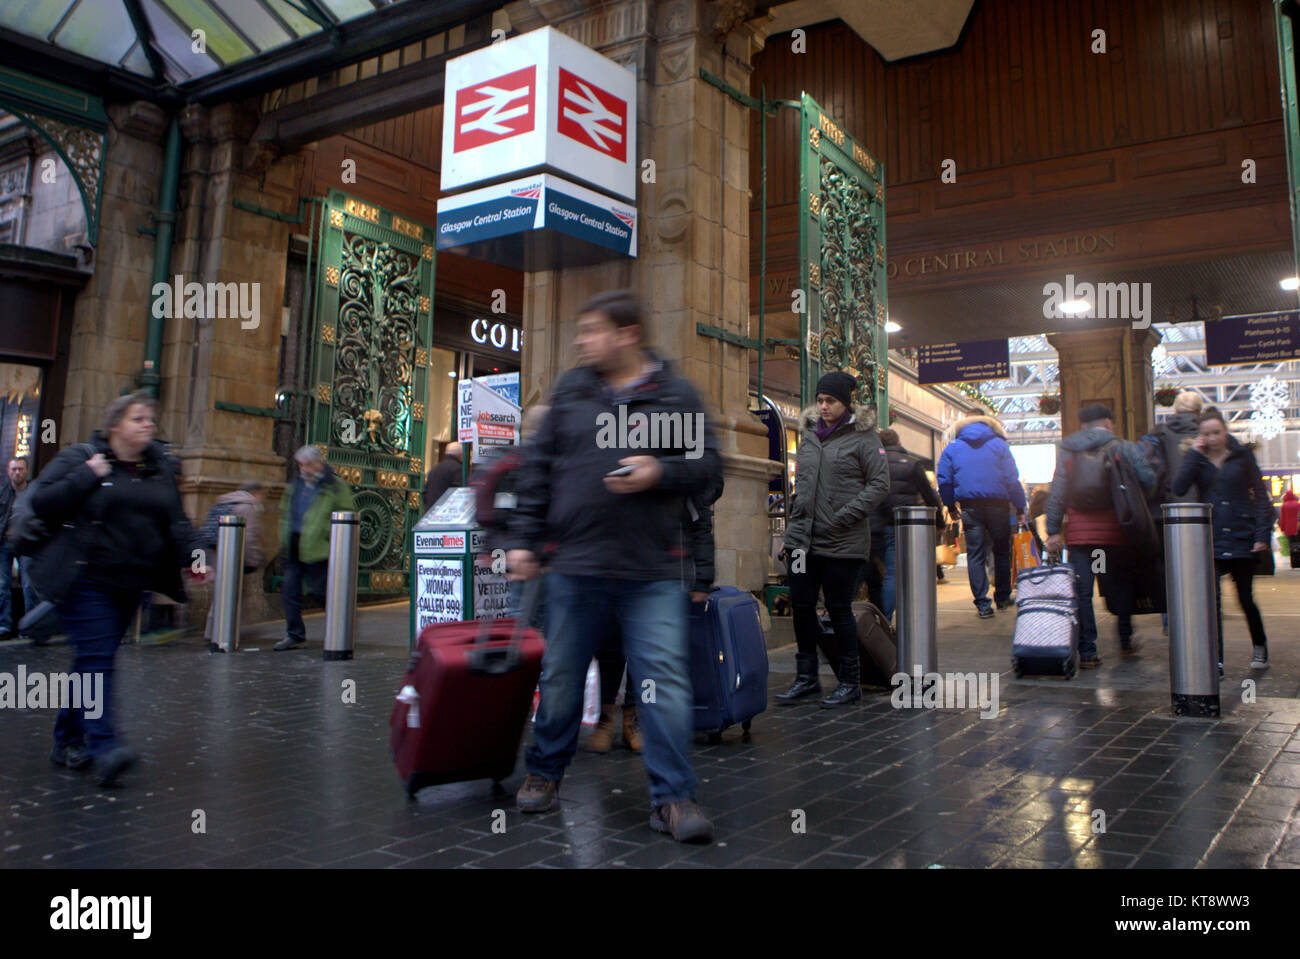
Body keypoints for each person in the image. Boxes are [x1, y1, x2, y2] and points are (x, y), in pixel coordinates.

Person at [504, 289, 722, 843]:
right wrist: (525, 540)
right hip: (574, 566)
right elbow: (537, 470)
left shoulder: (674, 397)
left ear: (627, 335)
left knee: (664, 686)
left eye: (593, 330)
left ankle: (672, 799)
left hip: (652, 572)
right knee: (560, 678)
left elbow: (708, 469)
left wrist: (660, 474)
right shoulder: (572, 391)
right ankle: (544, 771)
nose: (581, 340)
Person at [25, 393, 209, 786]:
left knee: (94, 659)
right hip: (85, 580)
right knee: (96, 659)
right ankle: (104, 746)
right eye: (137, 418)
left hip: (132, 584)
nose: (148, 425)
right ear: (115, 426)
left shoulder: (159, 468)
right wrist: (86, 475)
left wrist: (196, 557)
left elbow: (176, 522)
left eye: (151, 420)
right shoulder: (85, 459)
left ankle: (66, 738)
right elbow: (42, 502)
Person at [588, 474, 723, 754]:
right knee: (610, 643)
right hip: (614, 558)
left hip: (659, 565)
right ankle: (605, 715)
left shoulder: (680, 446)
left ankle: (633, 715)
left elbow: (709, 492)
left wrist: (703, 575)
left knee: (644, 649)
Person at [777, 371, 889, 707]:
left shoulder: (865, 438)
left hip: (843, 541)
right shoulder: (809, 435)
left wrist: (845, 515)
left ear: (846, 402)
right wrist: (791, 533)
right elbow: (804, 487)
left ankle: (850, 680)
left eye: (831, 401)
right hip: (801, 541)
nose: (824, 406)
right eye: (821, 400)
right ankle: (806, 677)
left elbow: (879, 485)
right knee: (801, 606)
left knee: (839, 608)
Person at [1044, 404, 1155, 668]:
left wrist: (1052, 530)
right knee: (1119, 585)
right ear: (1107, 422)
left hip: (1082, 538)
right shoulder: (1122, 447)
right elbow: (1148, 480)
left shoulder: (1067, 449)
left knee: (1083, 590)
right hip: (1114, 534)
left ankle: (1088, 650)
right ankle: (1125, 640)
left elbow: (1057, 491)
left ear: (1083, 425)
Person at [1171, 407, 1273, 671]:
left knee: (1245, 599)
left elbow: (1262, 498)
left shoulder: (1243, 457)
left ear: (1226, 432)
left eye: (1217, 432)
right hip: (1210, 538)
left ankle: (1259, 645)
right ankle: (1215, 659)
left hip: (1242, 537)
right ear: (1200, 436)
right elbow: (1178, 488)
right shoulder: (1198, 459)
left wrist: (1262, 535)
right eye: (1207, 433)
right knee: (1211, 603)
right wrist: (1194, 453)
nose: (1212, 437)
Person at [936, 413, 1026, 618]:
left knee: (976, 554)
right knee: (1002, 551)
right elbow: (1012, 478)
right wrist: (1020, 507)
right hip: (999, 507)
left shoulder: (953, 448)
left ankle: (982, 604)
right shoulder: (1000, 446)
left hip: (970, 508)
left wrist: (950, 506)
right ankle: (1003, 597)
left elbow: (945, 479)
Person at [275, 445, 356, 651]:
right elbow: (286, 511)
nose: (304, 469)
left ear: (319, 463)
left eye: (308, 464)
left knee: (320, 592)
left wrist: (328, 535)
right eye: (301, 465)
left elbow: (347, 513)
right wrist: (283, 534)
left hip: (320, 549)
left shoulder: (335, 486)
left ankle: (341, 629)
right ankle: (294, 634)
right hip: (295, 545)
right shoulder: (296, 486)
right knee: (290, 592)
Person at [867, 428, 943, 620]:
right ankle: (883, 620)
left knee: (870, 575)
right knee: (894, 573)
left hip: (870, 527)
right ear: (899, 442)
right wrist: (939, 521)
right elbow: (930, 496)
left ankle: (866, 621)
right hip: (897, 525)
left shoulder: (870, 463)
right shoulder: (911, 464)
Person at [203, 481, 267, 652]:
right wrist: (254, 559)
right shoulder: (248, 506)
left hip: (216, 554)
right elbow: (249, 537)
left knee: (221, 593)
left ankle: (213, 632)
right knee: (234, 593)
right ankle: (227, 631)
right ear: (255, 492)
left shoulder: (224, 501)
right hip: (235, 556)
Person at [0, 457, 32, 640]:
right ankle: (4, 625)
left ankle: (29, 626)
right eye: (14, 469)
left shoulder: (32, 492)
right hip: (4, 543)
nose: (17, 472)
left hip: (26, 542)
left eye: (20, 469)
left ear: (27, 471)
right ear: (8, 471)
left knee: (29, 585)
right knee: (2, 586)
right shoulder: (3, 492)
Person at [422, 441, 463, 511]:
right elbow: (458, 493)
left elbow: (425, 492)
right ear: (459, 455)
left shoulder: (434, 470)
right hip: (446, 513)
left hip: (431, 512)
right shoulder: (458, 469)